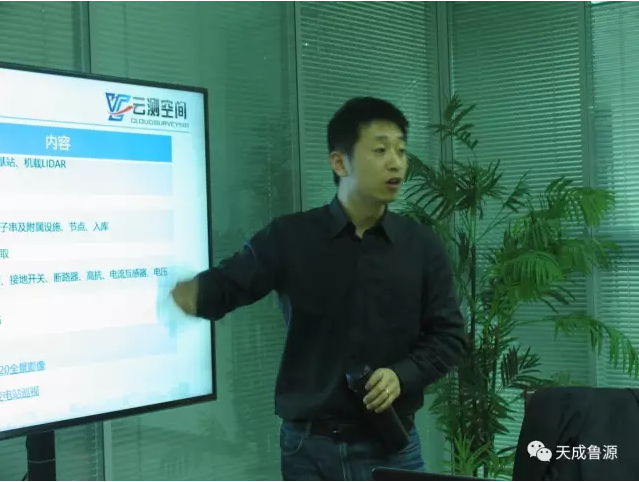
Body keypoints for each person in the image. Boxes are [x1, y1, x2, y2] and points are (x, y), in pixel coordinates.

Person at [171, 97, 466, 480]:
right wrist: (187, 295)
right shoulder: (291, 237)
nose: (396, 163)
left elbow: (449, 336)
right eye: (380, 150)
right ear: (340, 163)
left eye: (401, 150)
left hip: (391, 448)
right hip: (307, 452)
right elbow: (227, 285)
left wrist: (401, 375)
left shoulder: (421, 245)